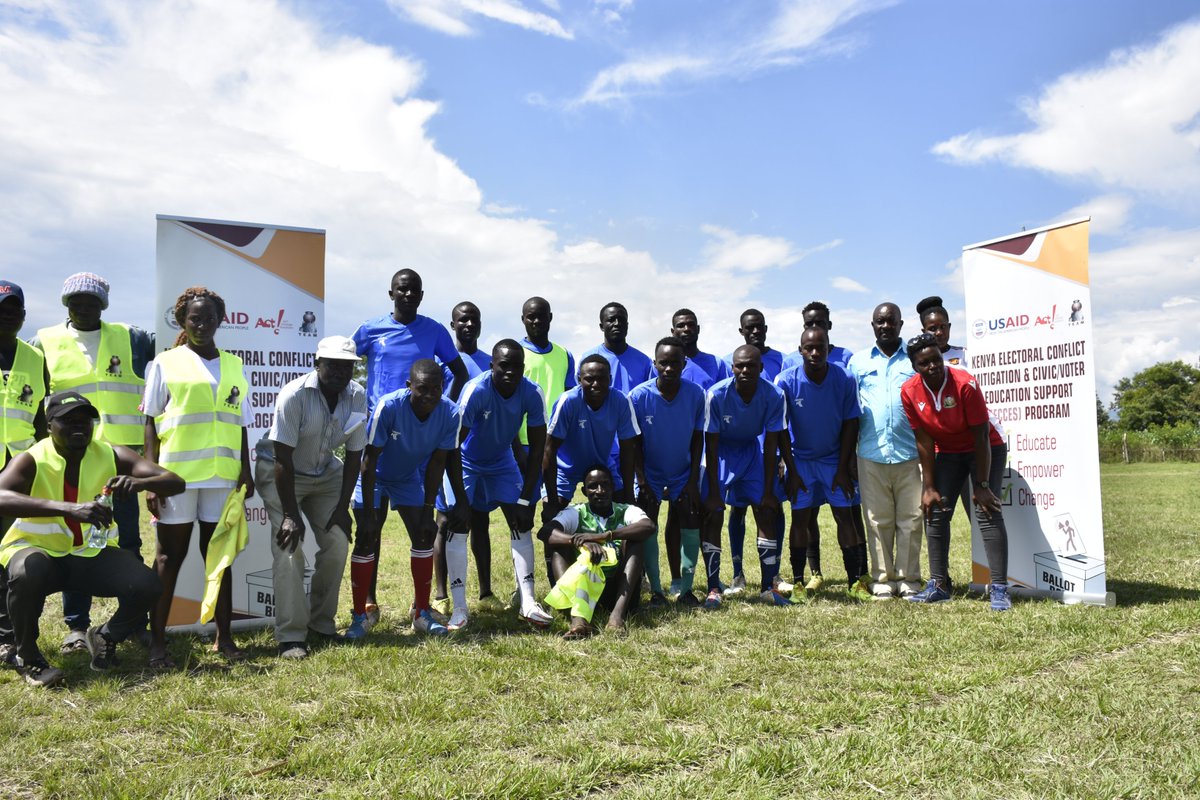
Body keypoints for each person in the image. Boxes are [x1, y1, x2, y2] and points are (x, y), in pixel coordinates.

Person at [0, 392, 183, 687]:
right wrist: (69, 509)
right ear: (49, 425)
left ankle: (105, 636)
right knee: (25, 572)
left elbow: (175, 481)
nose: (79, 426)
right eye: (68, 420)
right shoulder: (32, 458)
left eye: (85, 420)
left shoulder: (111, 453)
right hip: (39, 553)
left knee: (148, 585)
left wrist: (141, 482)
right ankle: (29, 658)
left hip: (88, 553)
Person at [33, 272, 154, 653]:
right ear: (65, 304)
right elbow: (34, 398)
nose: (83, 308)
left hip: (119, 461)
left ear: (104, 304)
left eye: (92, 302)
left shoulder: (133, 338)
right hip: (70, 460)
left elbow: (172, 355)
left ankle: (133, 621)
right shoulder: (44, 341)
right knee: (75, 538)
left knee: (130, 539)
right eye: (76, 302)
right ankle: (76, 627)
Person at [349, 269, 469, 634]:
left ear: (421, 294)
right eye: (402, 289)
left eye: (414, 290)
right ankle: (367, 606)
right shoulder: (371, 329)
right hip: (379, 438)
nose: (408, 295)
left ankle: (422, 612)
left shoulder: (433, 331)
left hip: (416, 440)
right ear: (391, 293)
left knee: (421, 527)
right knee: (370, 527)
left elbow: (458, 372)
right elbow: (343, 362)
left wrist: (437, 411)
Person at [143, 286, 254, 666]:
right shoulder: (166, 362)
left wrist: (246, 472)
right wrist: (151, 477)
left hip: (222, 478)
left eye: (209, 318)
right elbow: (150, 421)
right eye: (194, 318)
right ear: (182, 321)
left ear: (221, 321)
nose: (202, 325)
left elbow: (240, 425)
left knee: (220, 558)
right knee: (169, 558)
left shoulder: (236, 366)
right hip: (176, 478)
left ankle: (224, 639)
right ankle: (157, 644)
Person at [254, 336, 367, 658]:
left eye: (347, 366)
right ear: (317, 363)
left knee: (337, 542)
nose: (340, 372)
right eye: (332, 364)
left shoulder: (357, 396)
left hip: (325, 473)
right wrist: (291, 515)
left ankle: (321, 625)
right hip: (280, 472)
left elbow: (356, 455)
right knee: (290, 549)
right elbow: (281, 459)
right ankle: (291, 636)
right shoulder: (294, 395)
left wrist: (343, 508)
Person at [439, 340, 553, 630]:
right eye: (504, 366)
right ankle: (460, 609)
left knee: (521, 521)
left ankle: (528, 602)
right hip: (465, 461)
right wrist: (461, 501)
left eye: (516, 366)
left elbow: (538, 449)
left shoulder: (531, 392)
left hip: (502, 461)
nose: (510, 372)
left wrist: (527, 500)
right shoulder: (476, 391)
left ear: (523, 368)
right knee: (457, 523)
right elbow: (452, 446)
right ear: (492, 366)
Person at [901, 332, 1011, 611]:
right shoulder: (909, 391)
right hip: (948, 452)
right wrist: (929, 486)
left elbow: (982, 436)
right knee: (935, 510)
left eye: (936, 359)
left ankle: (999, 588)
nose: (933, 366)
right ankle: (939, 584)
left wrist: (983, 484)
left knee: (987, 511)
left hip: (985, 448)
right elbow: (924, 440)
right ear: (915, 367)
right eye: (925, 363)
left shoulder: (965, 383)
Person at [359, 359, 469, 636]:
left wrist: (429, 506)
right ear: (409, 386)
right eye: (422, 388)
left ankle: (420, 612)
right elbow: (369, 460)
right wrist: (371, 512)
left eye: (436, 388)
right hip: (375, 476)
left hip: (407, 478)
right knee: (366, 536)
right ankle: (362, 611)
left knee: (424, 533)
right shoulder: (389, 406)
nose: (430, 395)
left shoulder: (450, 413)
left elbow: (437, 463)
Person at [776, 328, 870, 602]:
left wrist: (843, 467)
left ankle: (854, 582)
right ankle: (798, 583)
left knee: (845, 515)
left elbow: (851, 422)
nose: (815, 353)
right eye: (809, 348)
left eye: (821, 347)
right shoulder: (786, 381)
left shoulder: (843, 378)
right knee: (801, 519)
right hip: (802, 463)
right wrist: (791, 470)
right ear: (800, 350)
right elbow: (780, 429)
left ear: (829, 348)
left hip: (833, 461)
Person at [699, 346, 787, 609]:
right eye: (740, 366)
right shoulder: (716, 395)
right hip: (721, 454)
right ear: (733, 367)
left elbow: (771, 444)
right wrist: (714, 491)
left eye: (751, 365)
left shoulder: (774, 394)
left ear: (761, 368)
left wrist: (770, 490)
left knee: (766, 509)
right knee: (713, 513)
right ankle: (714, 587)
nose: (745, 370)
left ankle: (767, 587)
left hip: (751, 452)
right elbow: (711, 445)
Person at [848, 303, 924, 599]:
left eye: (890, 321)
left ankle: (908, 579)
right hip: (870, 452)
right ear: (872, 325)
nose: (885, 326)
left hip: (910, 452)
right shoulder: (858, 362)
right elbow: (851, 409)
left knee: (911, 518)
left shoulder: (914, 359)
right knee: (878, 520)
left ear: (900, 324)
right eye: (880, 322)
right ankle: (882, 577)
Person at [628, 337, 705, 607]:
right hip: (650, 474)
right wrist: (642, 480)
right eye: (664, 363)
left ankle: (685, 590)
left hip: (683, 473)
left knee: (690, 523)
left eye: (675, 363)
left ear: (684, 364)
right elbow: (634, 442)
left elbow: (698, 439)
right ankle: (657, 592)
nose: (669, 368)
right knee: (648, 526)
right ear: (655, 364)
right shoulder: (638, 396)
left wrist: (693, 480)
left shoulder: (696, 394)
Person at [540, 464, 655, 637]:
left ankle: (617, 617)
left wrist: (606, 536)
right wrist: (577, 541)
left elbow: (649, 526)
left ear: (613, 487)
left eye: (605, 485)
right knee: (559, 548)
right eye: (593, 486)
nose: (599, 491)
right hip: (582, 592)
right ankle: (578, 619)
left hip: (617, 589)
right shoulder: (576, 512)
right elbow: (545, 532)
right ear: (584, 491)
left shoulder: (625, 511)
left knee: (635, 541)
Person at [432, 301, 493, 613]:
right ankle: (441, 595)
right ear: (453, 324)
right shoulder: (442, 361)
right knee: (445, 521)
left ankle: (486, 592)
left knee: (480, 519)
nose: (469, 325)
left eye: (474, 320)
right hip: (451, 451)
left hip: (482, 452)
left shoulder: (490, 362)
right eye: (462, 320)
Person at [0, 281, 47, 665]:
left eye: (13, 309)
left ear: (23, 316)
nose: (7, 315)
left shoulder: (34, 357)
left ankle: (10, 636)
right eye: (1, 308)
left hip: (18, 470)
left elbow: (40, 419)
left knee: (13, 553)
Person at [723, 308, 784, 594]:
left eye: (760, 326)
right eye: (750, 327)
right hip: (737, 450)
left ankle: (773, 573)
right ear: (741, 331)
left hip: (767, 452)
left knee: (771, 508)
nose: (755, 331)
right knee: (737, 510)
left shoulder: (778, 359)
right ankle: (737, 573)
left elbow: (779, 413)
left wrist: (782, 455)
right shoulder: (728, 362)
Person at [543, 356, 640, 513]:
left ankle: (608, 537)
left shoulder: (620, 401)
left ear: (610, 379)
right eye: (589, 379)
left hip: (602, 465)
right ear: (579, 379)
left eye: (602, 379)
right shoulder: (568, 401)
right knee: (551, 512)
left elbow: (628, 450)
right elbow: (549, 450)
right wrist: (552, 500)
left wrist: (629, 495)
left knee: (624, 509)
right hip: (566, 469)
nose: (596, 384)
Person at [670, 308, 731, 391]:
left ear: (698, 329)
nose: (686, 329)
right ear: (673, 332)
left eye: (691, 325)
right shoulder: (664, 365)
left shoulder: (717, 363)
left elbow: (724, 394)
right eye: (681, 326)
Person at [916, 296, 966, 368]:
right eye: (933, 329)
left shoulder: (964, 354)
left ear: (949, 327)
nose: (939, 332)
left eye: (943, 327)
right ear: (924, 332)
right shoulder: (919, 360)